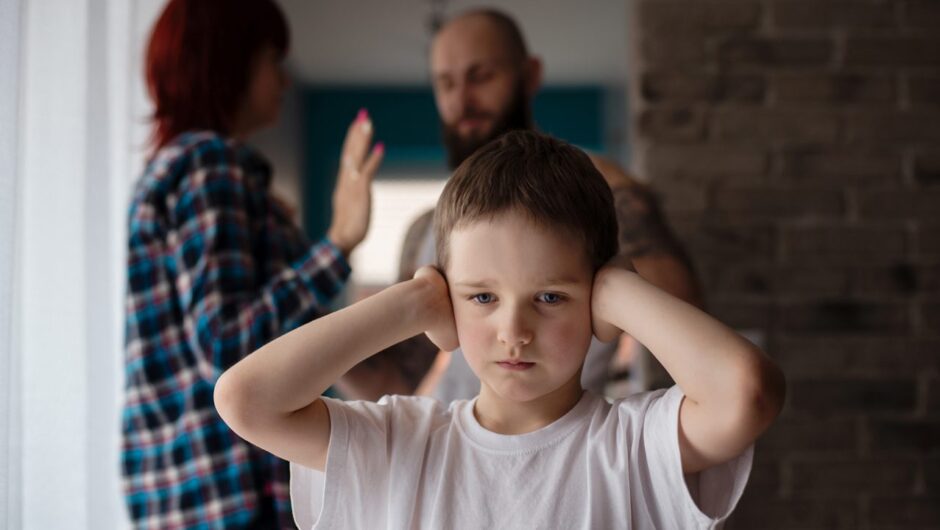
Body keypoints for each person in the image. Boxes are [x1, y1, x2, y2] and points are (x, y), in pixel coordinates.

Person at [215, 131, 786, 528]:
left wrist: (618, 290)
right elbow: (244, 400)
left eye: (550, 296)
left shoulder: (632, 447)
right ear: (447, 296)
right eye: (482, 296)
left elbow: (748, 393)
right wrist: (413, 303)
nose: (514, 329)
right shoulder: (399, 442)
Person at [338, 8, 703, 402]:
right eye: (446, 84)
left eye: (480, 77)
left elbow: (683, 315)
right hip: (457, 448)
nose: (463, 101)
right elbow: (395, 384)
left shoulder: (600, 192)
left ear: (529, 76)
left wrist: (597, 197)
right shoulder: (427, 229)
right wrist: (334, 250)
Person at [121, 0, 382, 527]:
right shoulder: (210, 164)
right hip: (231, 490)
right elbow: (227, 344)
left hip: (184, 491)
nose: (284, 79)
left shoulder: (175, 168)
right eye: (272, 59)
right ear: (231, 63)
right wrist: (337, 244)